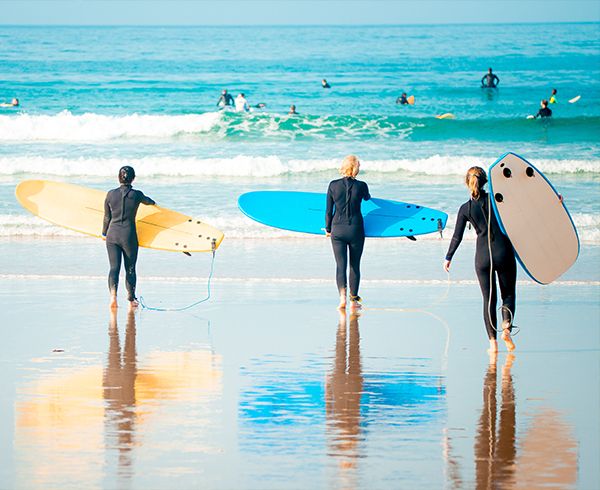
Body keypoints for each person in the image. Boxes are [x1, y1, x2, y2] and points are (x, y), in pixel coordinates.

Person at [443, 166, 516, 353]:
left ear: (467, 183)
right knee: (507, 295)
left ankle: (492, 344)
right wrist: (553, 201)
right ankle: (506, 326)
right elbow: (524, 210)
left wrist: (448, 257)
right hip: (503, 252)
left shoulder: (465, 208)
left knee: (488, 300)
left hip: (482, 258)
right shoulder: (497, 199)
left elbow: (456, 236)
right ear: (485, 182)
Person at [102, 166, 156, 310]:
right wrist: (154, 203)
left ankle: (113, 297)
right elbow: (149, 201)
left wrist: (104, 233)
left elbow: (107, 217)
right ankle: (131, 300)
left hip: (112, 235)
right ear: (133, 178)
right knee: (130, 268)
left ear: (118, 177)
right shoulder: (137, 195)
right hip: (128, 236)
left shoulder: (110, 194)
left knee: (114, 268)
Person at [325, 155, 371, 310]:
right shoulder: (362, 185)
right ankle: (353, 301)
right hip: (356, 229)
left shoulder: (333, 185)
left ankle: (342, 298)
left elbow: (328, 211)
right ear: (356, 168)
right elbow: (367, 198)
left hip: (337, 229)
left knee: (340, 265)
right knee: (354, 265)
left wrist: (328, 229)